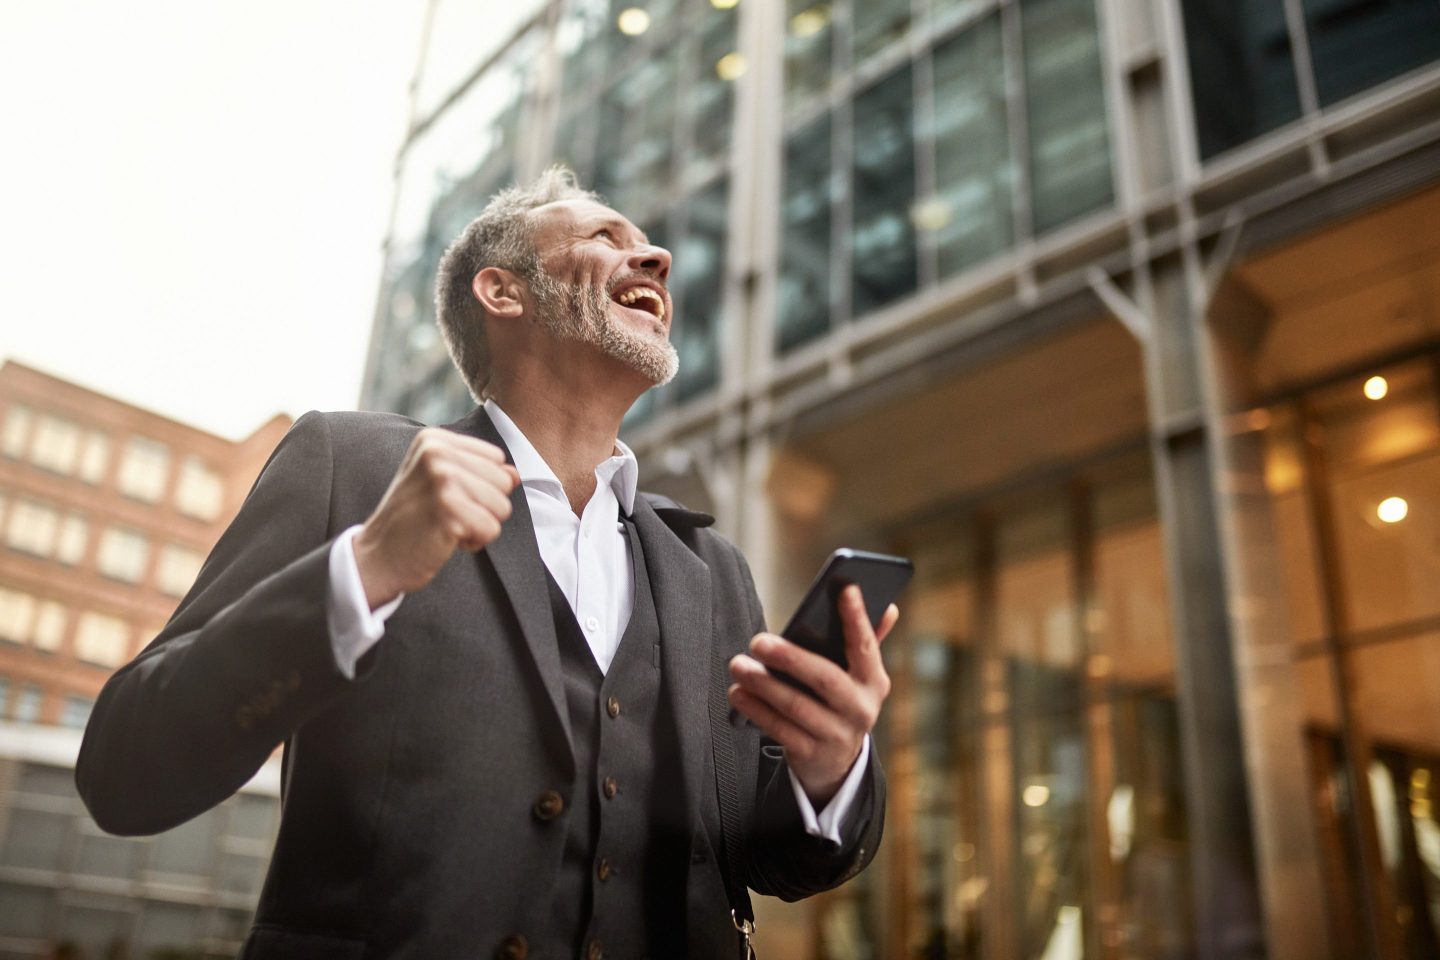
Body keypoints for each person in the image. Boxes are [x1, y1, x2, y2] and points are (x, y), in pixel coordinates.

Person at [76, 167, 895, 960]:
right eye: (606, 236)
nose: (657, 260)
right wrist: (360, 572)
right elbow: (125, 771)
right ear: (503, 292)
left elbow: (768, 862)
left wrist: (829, 772)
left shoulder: (710, 569)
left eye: (648, 246)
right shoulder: (355, 467)